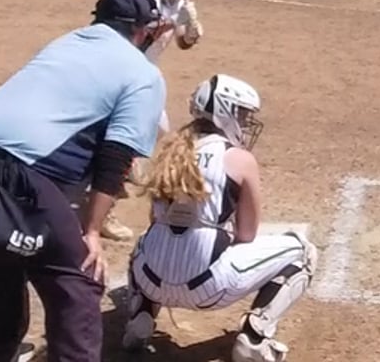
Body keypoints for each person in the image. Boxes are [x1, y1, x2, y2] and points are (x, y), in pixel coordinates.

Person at [0, 0, 168, 362]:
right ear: (142, 31)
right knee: (80, 277)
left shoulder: (67, 41)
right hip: (14, 174)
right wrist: (92, 231)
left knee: (7, 248)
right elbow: (115, 158)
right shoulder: (143, 75)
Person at [120, 76, 317, 362]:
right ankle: (255, 337)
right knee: (303, 251)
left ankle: (140, 315)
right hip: (209, 289)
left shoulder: (170, 152)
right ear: (225, 111)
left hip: (151, 281)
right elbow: (246, 234)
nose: (246, 122)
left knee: (146, 242)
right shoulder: (239, 159)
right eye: (242, 114)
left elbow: (155, 218)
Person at [93, 0, 207, 243]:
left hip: (144, 75)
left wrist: (190, 31)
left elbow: (182, 42)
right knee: (131, 141)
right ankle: (104, 207)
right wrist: (173, 21)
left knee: (155, 133)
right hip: (126, 75)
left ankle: (118, 178)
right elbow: (138, 41)